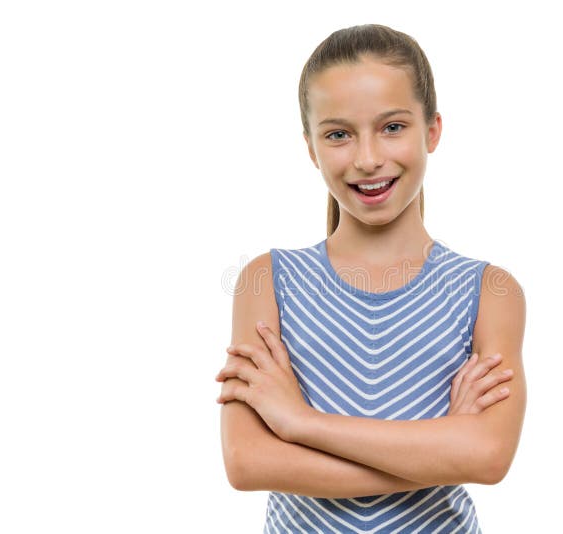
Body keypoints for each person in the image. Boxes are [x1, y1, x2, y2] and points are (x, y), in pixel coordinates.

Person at [216, 23, 527, 533]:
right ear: (312, 148)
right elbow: (247, 462)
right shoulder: (268, 281)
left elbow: (489, 455)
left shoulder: (488, 291)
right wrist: (442, 447)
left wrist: (301, 423)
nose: (366, 158)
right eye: (338, 134)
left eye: (392, 127)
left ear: (432, 131)